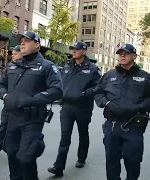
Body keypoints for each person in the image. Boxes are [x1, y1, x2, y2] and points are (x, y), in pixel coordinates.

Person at [0, 31, 63, 180]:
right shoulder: (13, 66)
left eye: (27, 40)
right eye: (21, 40)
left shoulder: (46, 66)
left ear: (37, 45)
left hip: (32, 119)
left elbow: (57, 90)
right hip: (12, 117)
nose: (22, 43)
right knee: (12, 154)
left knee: (26, 157)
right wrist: (6, 96)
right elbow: (1, 85)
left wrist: (32, 100)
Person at [94, 44, 150, 180]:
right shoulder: (109, 75)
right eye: (120, 53)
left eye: (126, 53)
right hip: (112, 125)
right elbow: (98, 93)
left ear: (134, 56)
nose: (122, 56)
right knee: (111, 161)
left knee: (133, 162)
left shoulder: (145, 77)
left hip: (133, 126)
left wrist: (139, 107)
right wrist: (107, 103)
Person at [47, 42, 102, 176]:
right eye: (73, 49)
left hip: (83, 107)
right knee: (65, 136)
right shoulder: (66, 67)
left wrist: (84, 94)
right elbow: (60, 83)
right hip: (67, 107)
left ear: (84, 51)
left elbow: (99, 87)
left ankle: (81, 158)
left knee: (83, 133)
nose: (74, 51)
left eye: (77, 49)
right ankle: (58, 166)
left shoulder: (93, 69)